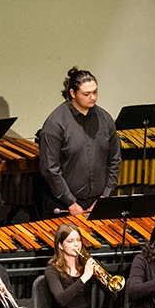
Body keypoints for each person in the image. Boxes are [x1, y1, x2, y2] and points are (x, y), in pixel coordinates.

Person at [38, 67, 121, 218]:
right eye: (86, 94)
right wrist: (70, 202)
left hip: (98, 203)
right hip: (64, 206)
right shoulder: (55, 124)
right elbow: (50, 169)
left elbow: (114, 159)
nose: (93, 97)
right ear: (72, 93)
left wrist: (105, 196)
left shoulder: (105, 119)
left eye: (95, 92)